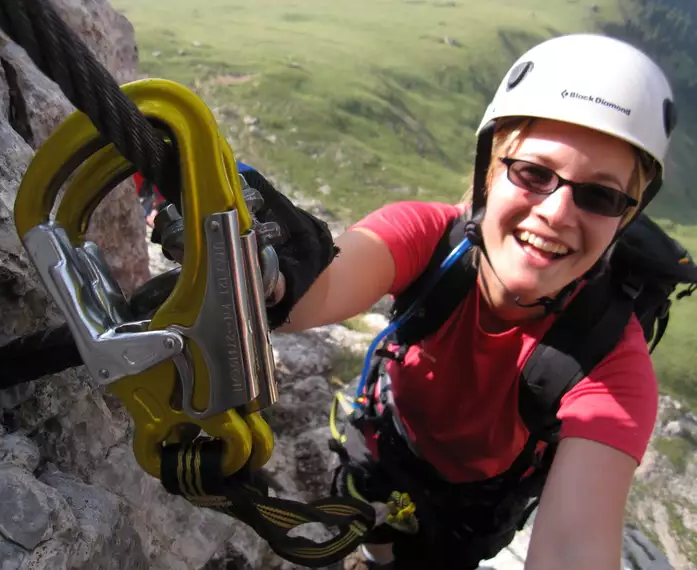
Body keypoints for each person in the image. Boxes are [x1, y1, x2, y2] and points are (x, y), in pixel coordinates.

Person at [251, 33, 677, 569]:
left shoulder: (613, 364)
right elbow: (318, 292)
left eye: (601, 195)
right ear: (490, 171)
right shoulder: (429, 237)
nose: (557, 212)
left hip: (471, 505)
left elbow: (573, 549)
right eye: (534, 173)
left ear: (626, 218)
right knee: (377, 540)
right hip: (385, 443)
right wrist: (271, 273)